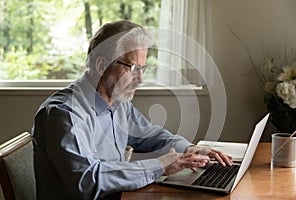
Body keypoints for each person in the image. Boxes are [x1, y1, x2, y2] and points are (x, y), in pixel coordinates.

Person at [32, 20, 232, 200]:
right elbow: (87, 181)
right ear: (102, 65)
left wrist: (189, 149)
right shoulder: (64, 114)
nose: (140, 80)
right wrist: (160, 165)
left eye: (142, 69)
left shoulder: (119, 104)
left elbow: (152, 135)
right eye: (133, 68)